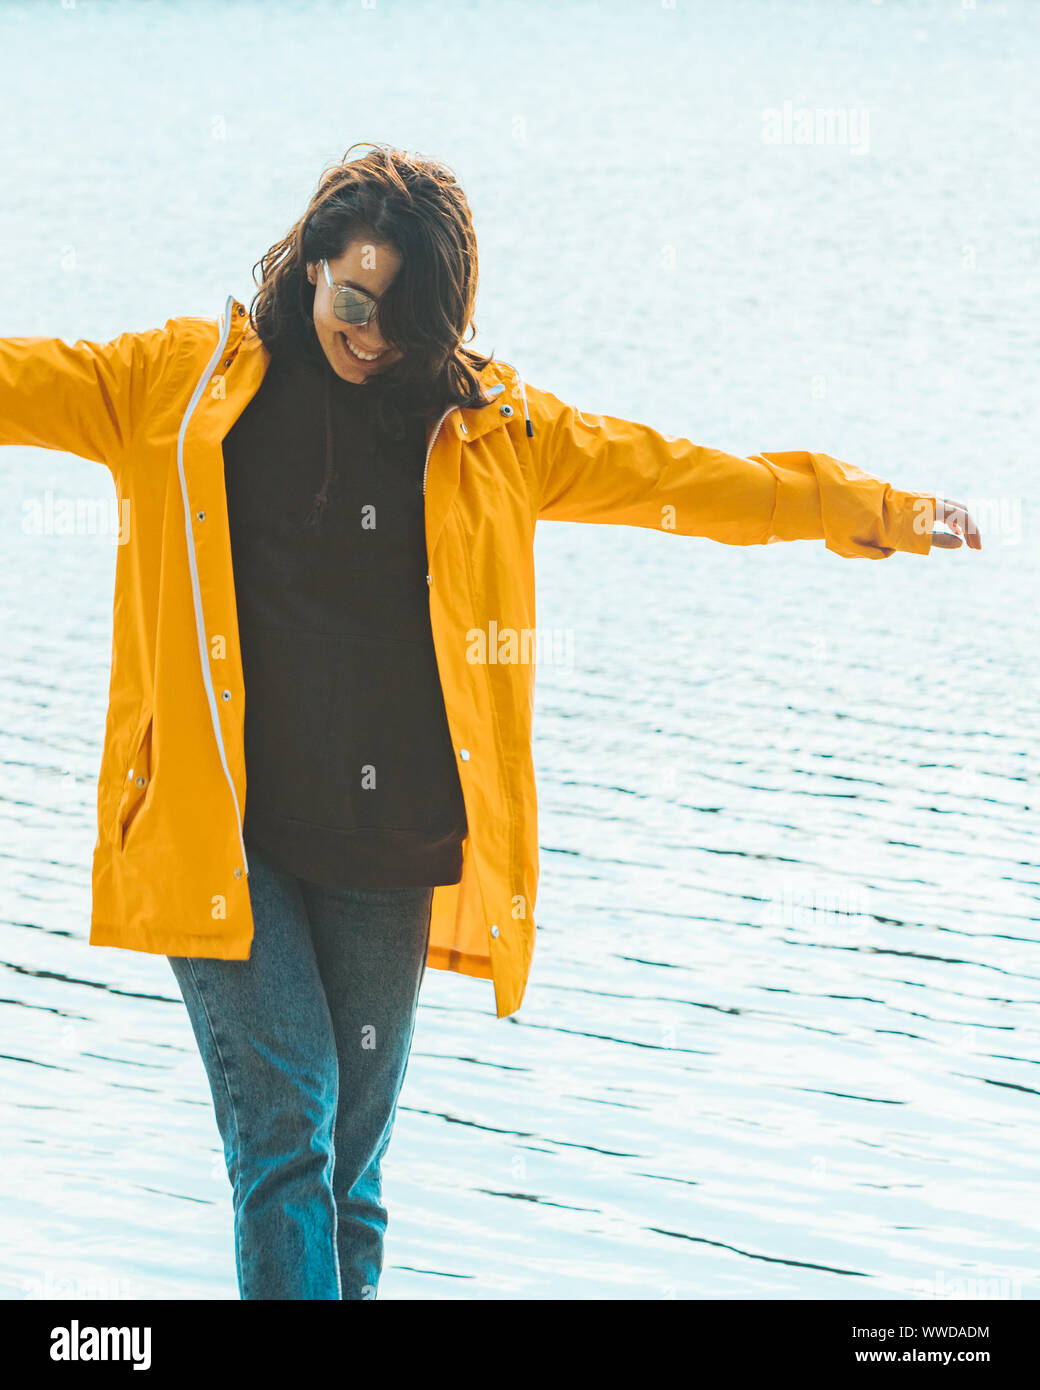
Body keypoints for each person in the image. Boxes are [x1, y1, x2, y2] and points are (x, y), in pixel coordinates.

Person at [0, 142, 981, 1301]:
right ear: (312, 259)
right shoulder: (175, 384)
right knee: (286, 1139)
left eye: (401, 326)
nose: (368, 341)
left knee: (350, 1172)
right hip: (229, 838)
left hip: (389, 845)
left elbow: (687, 478)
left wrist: (867, 508)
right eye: (353, 303)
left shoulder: (491, 429)